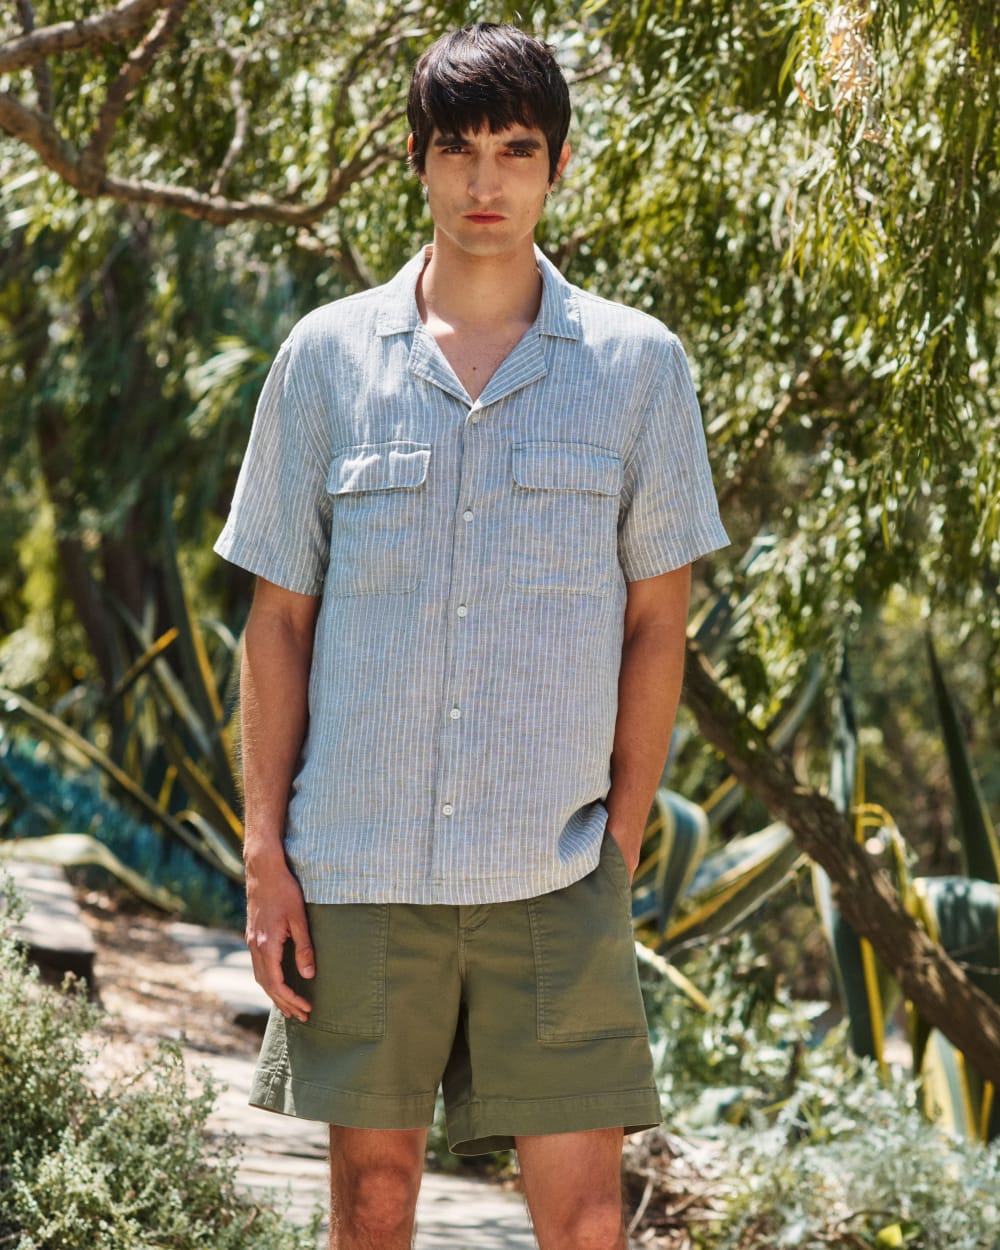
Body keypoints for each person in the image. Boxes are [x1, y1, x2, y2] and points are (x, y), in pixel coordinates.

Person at [215, 21, 728, 1250]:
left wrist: (618, 838)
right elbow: (276, 623)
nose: (484, 180)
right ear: (416, 160)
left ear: (556, 165)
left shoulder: (638, 368)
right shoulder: (325, 360)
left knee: (588, 1218)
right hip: (360, 869)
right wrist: (265, 855)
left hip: (551, 870)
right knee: (371, 1204)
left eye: (515, 149)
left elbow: (658, 623)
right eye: (457, 149)